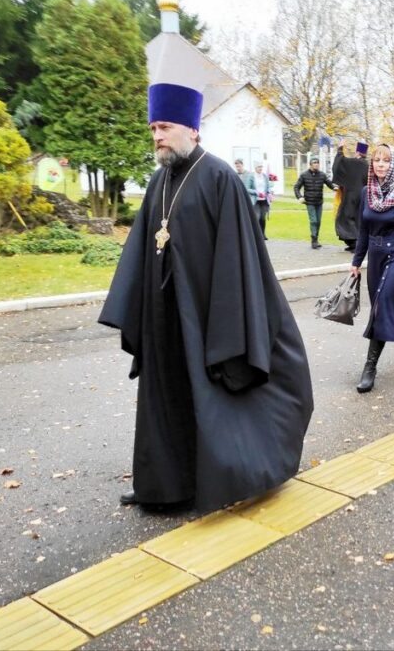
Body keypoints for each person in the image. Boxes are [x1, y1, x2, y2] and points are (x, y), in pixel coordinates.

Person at [98, 68, 314, 513]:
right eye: (153, 129)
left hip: (204, 316)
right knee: (164, 398)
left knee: (208, 399)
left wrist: (225, 323)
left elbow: (240, 257)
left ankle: (217, 479)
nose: (157, 137)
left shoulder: (219, 177)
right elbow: (144, 246)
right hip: (163, 314)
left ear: (192, 129)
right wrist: (138, 304)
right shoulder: (158, 181)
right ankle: (163, 485)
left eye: (165, 127)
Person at [349, 143, 394, 393]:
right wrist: (356, 261)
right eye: (377, 160)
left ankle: (369, 368)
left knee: (381, 308)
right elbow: (363, 231)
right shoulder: (366, 193)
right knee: (386, 309)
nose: (381, 164)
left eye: (386, 160)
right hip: (376, 257)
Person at [333, 140, 370, 251]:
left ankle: (355, 244)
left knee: (347, 218)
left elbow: (339, 164)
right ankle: (352, 243)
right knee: (357, 219)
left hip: (351, 196)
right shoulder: (367, 165)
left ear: (357, 152)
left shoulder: (354, 163)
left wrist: (340, 149)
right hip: (363, 196)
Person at [293, 157, 337, 249]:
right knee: (314, 221)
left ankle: (316, 239)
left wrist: (335, 188)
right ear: (310, 165)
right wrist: (300, 197)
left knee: (318, 221)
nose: (316, 164)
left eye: (317, 163)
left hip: (319, 202)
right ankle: (313, 240)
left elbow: (329, 183)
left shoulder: (322, 175)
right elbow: (296, 187)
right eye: (314, 163)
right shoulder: (304, 175)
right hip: (309, 202)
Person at [253, 162, 275, 240]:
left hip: (264, 200)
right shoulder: (252, 176)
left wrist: (270, 193)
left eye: (261, 167)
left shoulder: (265, 176)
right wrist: (256, 192)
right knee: (257, 217)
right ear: (255, 168)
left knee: (263, 218)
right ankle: (257, 235)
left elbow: (268, 187)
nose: (260, 168)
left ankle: (263, 234)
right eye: (259, 167)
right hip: (256, 200)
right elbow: (248, 188)